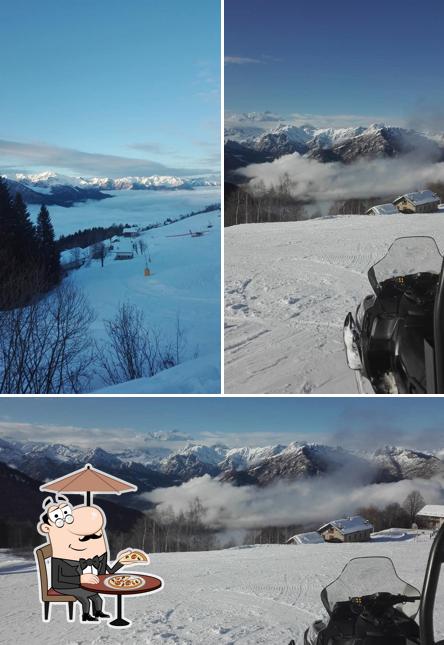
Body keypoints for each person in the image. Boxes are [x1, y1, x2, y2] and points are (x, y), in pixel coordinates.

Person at [37, 496, 132, 622]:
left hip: (80, 583)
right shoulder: (60, 558)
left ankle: (98, 612)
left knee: (97, 597)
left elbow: (107, 571)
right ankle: (86, 615)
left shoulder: (87, 556)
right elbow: (58, 579)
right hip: (63, 585)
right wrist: (80, 578)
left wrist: (121, 562)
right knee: (84, 596)